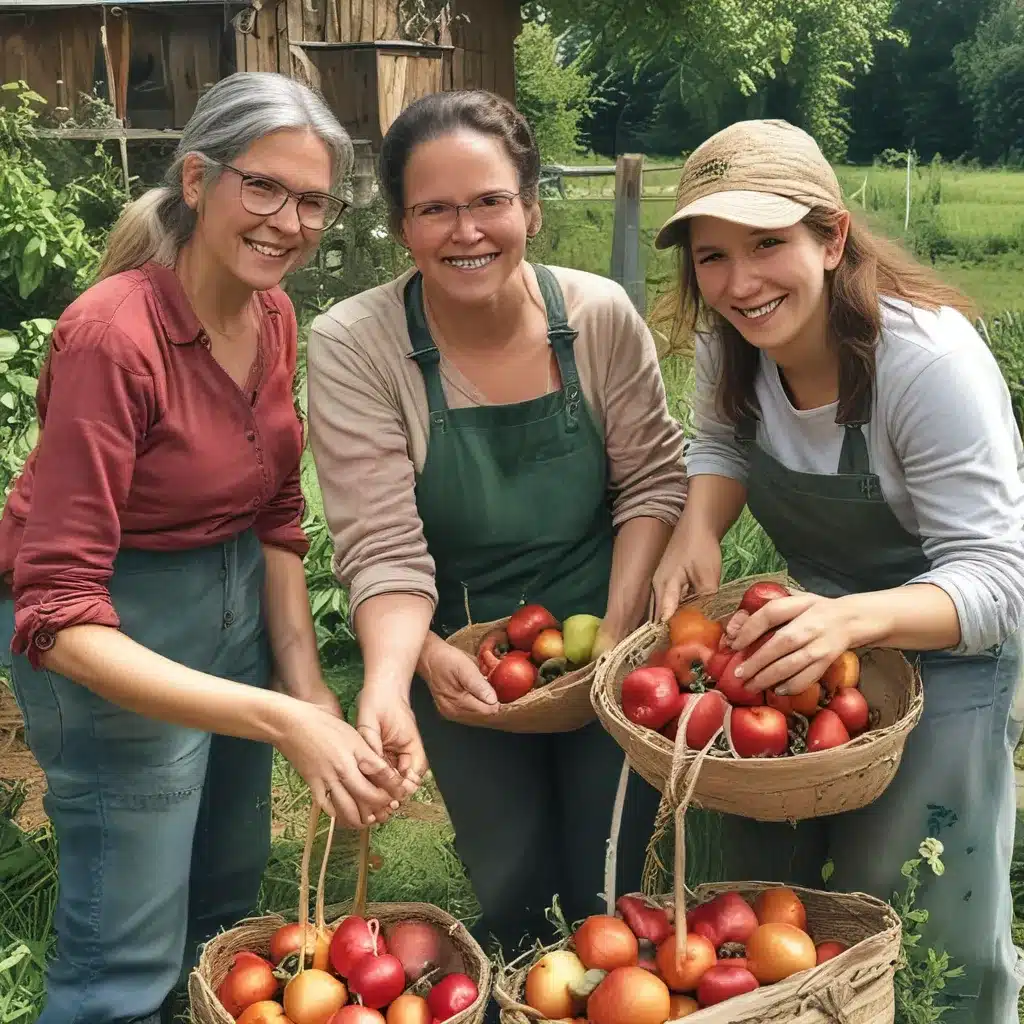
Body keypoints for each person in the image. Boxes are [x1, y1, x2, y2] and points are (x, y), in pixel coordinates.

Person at [0, 71, 425, 1024]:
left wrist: (308, 692)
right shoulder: (112, 338)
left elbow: (277, 510)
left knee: (224, 904)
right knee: (125, 946)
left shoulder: (271, 316)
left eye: (312, 200)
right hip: (115, 621)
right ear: (197, 181)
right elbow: (56, 614)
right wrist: (283, 721)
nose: (289, 220)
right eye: (262, 187)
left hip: (234, 602)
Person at [651, 118, 1024, 1023]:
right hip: (816, 637)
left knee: (917, 904)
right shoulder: (730, 340)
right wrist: (695, 524)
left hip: (951, 647)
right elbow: (721, 444)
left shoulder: (923, 363)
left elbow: (1002, 584)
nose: (740, 284)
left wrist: (854, 618)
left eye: (769, 244)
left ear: (834, 236)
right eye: (712, 256)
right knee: (750, 875)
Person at [306, 89, 686, 959]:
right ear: (403, 227)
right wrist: (407, 668)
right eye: (434, 209)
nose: (465, 231)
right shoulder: (356, 344)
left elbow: (653, 482)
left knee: (612, 882)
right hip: (459, 655)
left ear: (532, 208)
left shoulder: (596, 318)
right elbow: (381, 543)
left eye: (488, 202)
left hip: (605, 632)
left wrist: (620, 634)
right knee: (513, 882)